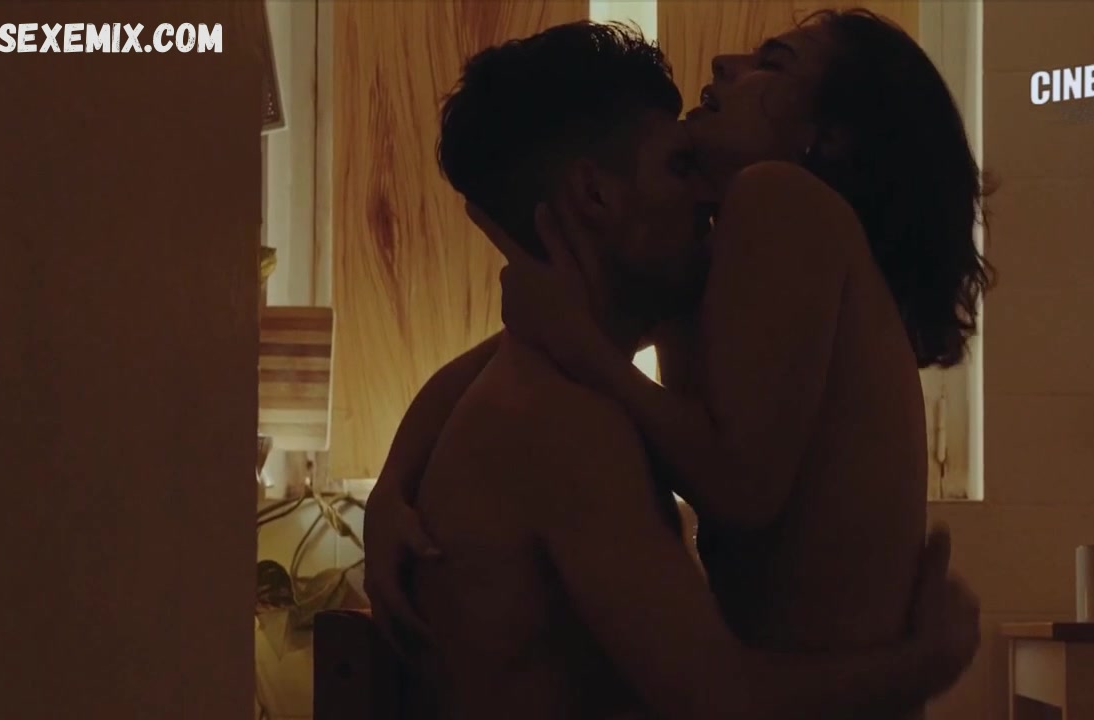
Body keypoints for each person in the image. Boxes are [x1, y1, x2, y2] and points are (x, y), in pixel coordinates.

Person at [363, 16, 987, 719]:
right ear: (595, 196)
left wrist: (922, 667)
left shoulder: (778, 200)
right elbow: (519, 351)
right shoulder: (569, 398)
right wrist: (392, 484)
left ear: (831, 134)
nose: (721, 62)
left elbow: (740, 487)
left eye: (773, 62)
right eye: (677, 167)